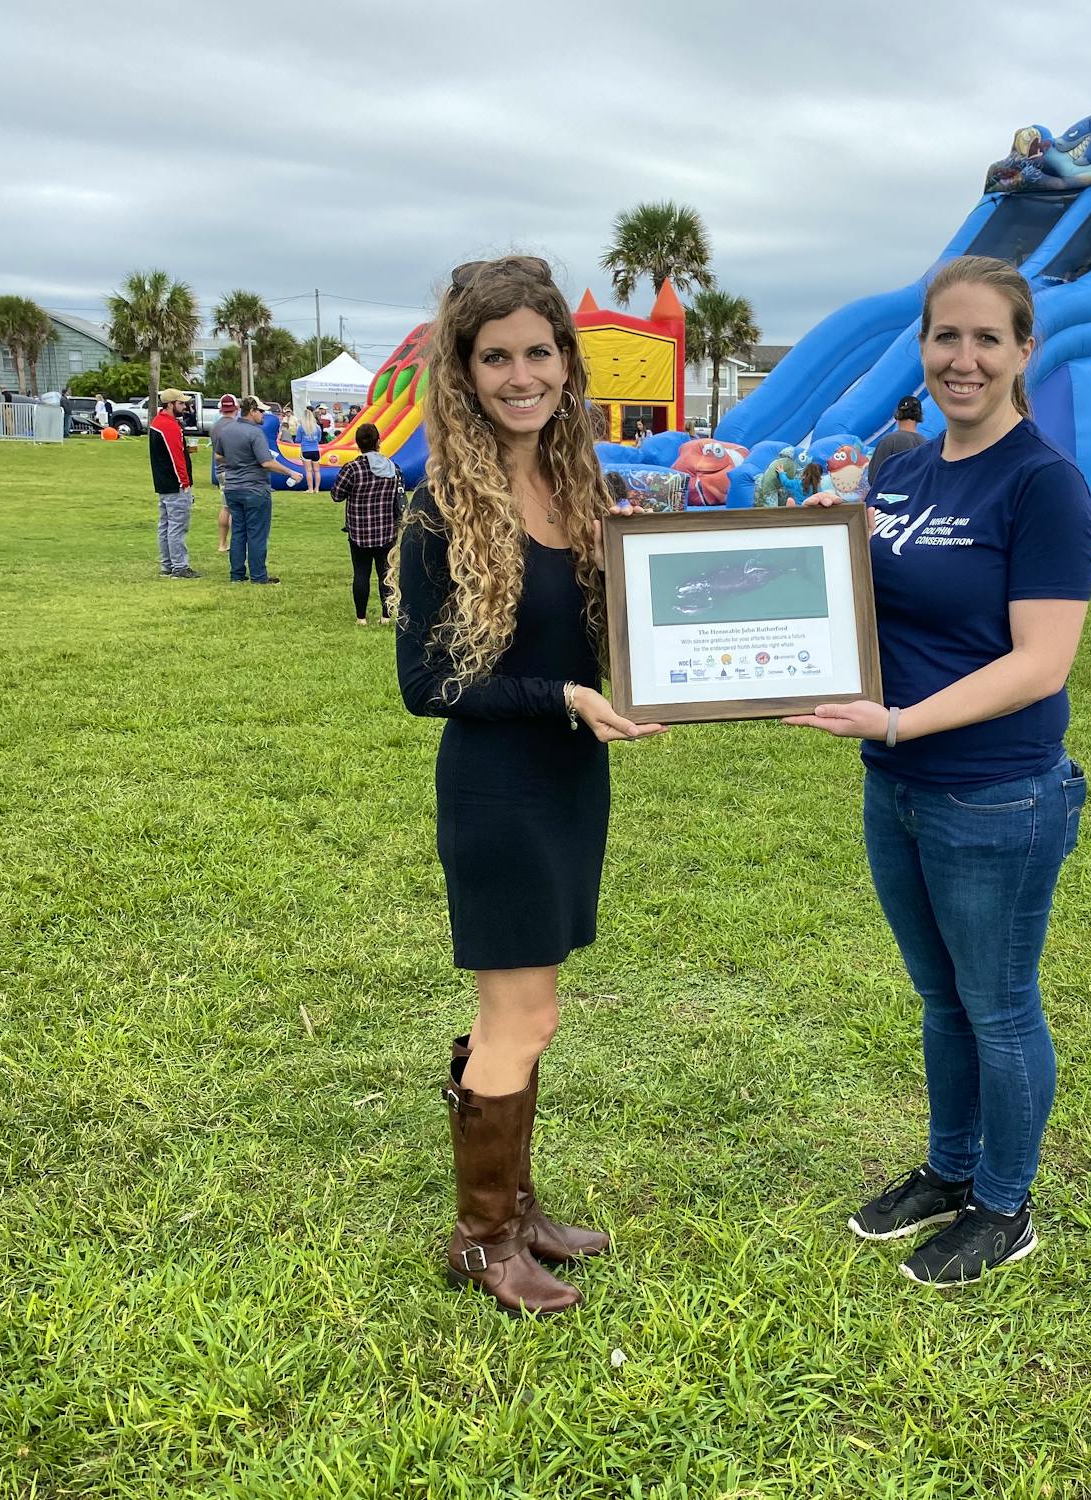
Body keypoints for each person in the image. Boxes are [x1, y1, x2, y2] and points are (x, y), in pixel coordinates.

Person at [788, 255, 1091, 1288]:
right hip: (898, 780)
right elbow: (855, 601)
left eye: (984, 339)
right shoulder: (904, 465)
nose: (960, 359)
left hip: (993, 790)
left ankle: (1004, 1208)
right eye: (943, 337)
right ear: (921, 347)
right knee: (940, 998)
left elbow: (1039, 662)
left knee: (998, 1004)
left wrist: (903, 718)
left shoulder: (1041, 484)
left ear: (1022, 352)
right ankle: (949, 1169)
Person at [395, 255, 665, 1316]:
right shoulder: (437, 507)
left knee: (532, 1014)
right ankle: (481, 1240)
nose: (520, 375)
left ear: (566, 361)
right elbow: (426, 683)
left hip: (569, 780)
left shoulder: (580, 486)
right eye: (495, 356)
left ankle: (514, 1206)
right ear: (464, 370)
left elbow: (613, 636)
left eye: (537, 352)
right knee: (521, 1020)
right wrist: (560, 696)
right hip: (498, 790)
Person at [212, 395, 299, 584]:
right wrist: (290, 472)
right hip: (254, 489)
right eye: (260, 411)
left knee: (238, 533)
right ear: (251, 411)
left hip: (232, 487)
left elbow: (218, 456)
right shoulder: (255, 433)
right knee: (257, 533)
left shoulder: (226, 430)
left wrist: (237, 461)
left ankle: (236, 574)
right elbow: (266, 462)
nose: (263, 415)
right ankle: (259, 576)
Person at [330, 421, 402, 625]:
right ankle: (386, 616)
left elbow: (336, 495)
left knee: (361, 573)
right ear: (379, 442)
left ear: (357, 443)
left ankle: (361, 618)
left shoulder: (352, 468)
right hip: (387, 530)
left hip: (359, 531)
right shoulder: (392, 468)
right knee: (385, 574)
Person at [149, 389, 200, 579]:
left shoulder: (159, 422)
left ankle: (168, 565)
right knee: (177, 526)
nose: (184, 406)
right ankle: (179, 566)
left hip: (164, 483)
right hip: (175, 484)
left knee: (165, 525)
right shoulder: (168, 426)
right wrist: (184, 482)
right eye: (181, 403)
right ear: (170, 404)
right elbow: (175, 456)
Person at [866, 394, 927, 492]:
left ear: (897, 414)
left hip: (892, 502)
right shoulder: (927, 444)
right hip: (918, 502)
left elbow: (874, 478)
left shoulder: (889, 441)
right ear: (919, 416)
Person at [212, 394, 238, 552]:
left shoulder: (215, 426)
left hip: (219, 470)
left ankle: (222, 543)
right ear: (236, 408)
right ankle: (236, 543)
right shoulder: (235, 427)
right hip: (233, 471)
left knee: (225, 506)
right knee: (236, 508)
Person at [297, 402, 323, 493]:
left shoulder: (301, 427)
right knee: (317, 471)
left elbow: (298, 439)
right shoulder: (317, 427)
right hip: (316, 450)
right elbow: (319, 439)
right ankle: (317, 489)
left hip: (305, 450)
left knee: (308, 471)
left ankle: (310, 489)